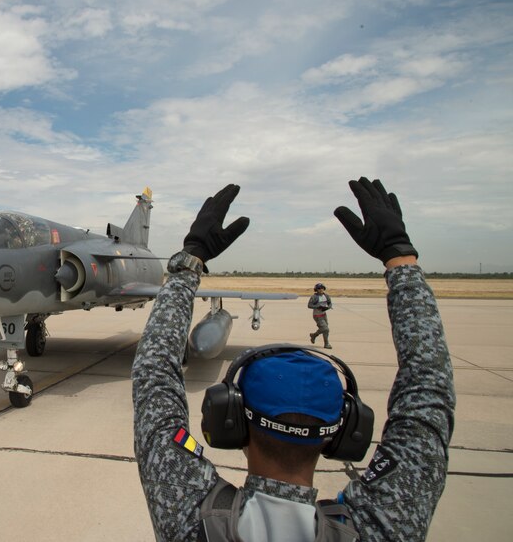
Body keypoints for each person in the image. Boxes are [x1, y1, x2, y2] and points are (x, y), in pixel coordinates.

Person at [132, 178, 454, 541]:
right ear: (342, 432)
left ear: (230, 420)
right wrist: (401, 258)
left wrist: (190, 259)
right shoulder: (386, 523)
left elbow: (153, 373)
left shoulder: (188, 516)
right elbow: (429, 394)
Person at [308, 282, 333, 348]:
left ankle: (324, 342)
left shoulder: (326, 296)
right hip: (317, 315)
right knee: (325, 329)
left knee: (325, 330)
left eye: (322, 288)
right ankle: (316, 337)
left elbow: (330, 303)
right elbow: (309, 305)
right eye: (319, 288)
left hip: (324, 315)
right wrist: (317, 306)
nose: (321, 289)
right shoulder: (314, 297)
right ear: (316, 289)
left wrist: (328, 307)